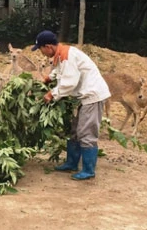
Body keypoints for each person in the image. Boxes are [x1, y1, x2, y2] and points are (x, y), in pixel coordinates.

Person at [31, 30, 111, 180]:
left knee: (86, 132)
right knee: (75, 130)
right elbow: (59, 71)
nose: (41, 53)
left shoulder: (68, 56)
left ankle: (88, 170)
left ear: (48, 47)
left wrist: (51, 94)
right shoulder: (61, 55)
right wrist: (47, 79)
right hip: (84, 97)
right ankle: (71, 163)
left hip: (92, 96)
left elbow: (69, 82)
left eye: (40, 49)